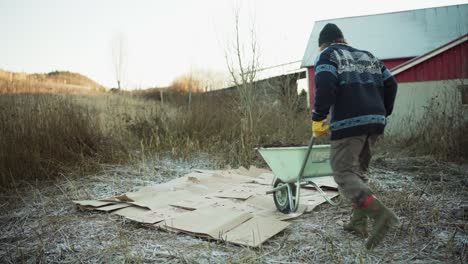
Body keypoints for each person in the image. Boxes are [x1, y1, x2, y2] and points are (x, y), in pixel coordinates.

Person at [311, 23, 399, 250]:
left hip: (350, 123)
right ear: (343, 38)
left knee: (343, 172)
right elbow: (391, 83)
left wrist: (319, 116)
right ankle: (358, 223)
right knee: (359, 172)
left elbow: (325, 84)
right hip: (375, 122)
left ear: (324, 43)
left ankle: (380, 215)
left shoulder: (327, 55)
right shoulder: (367, 56)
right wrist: (383, 111)